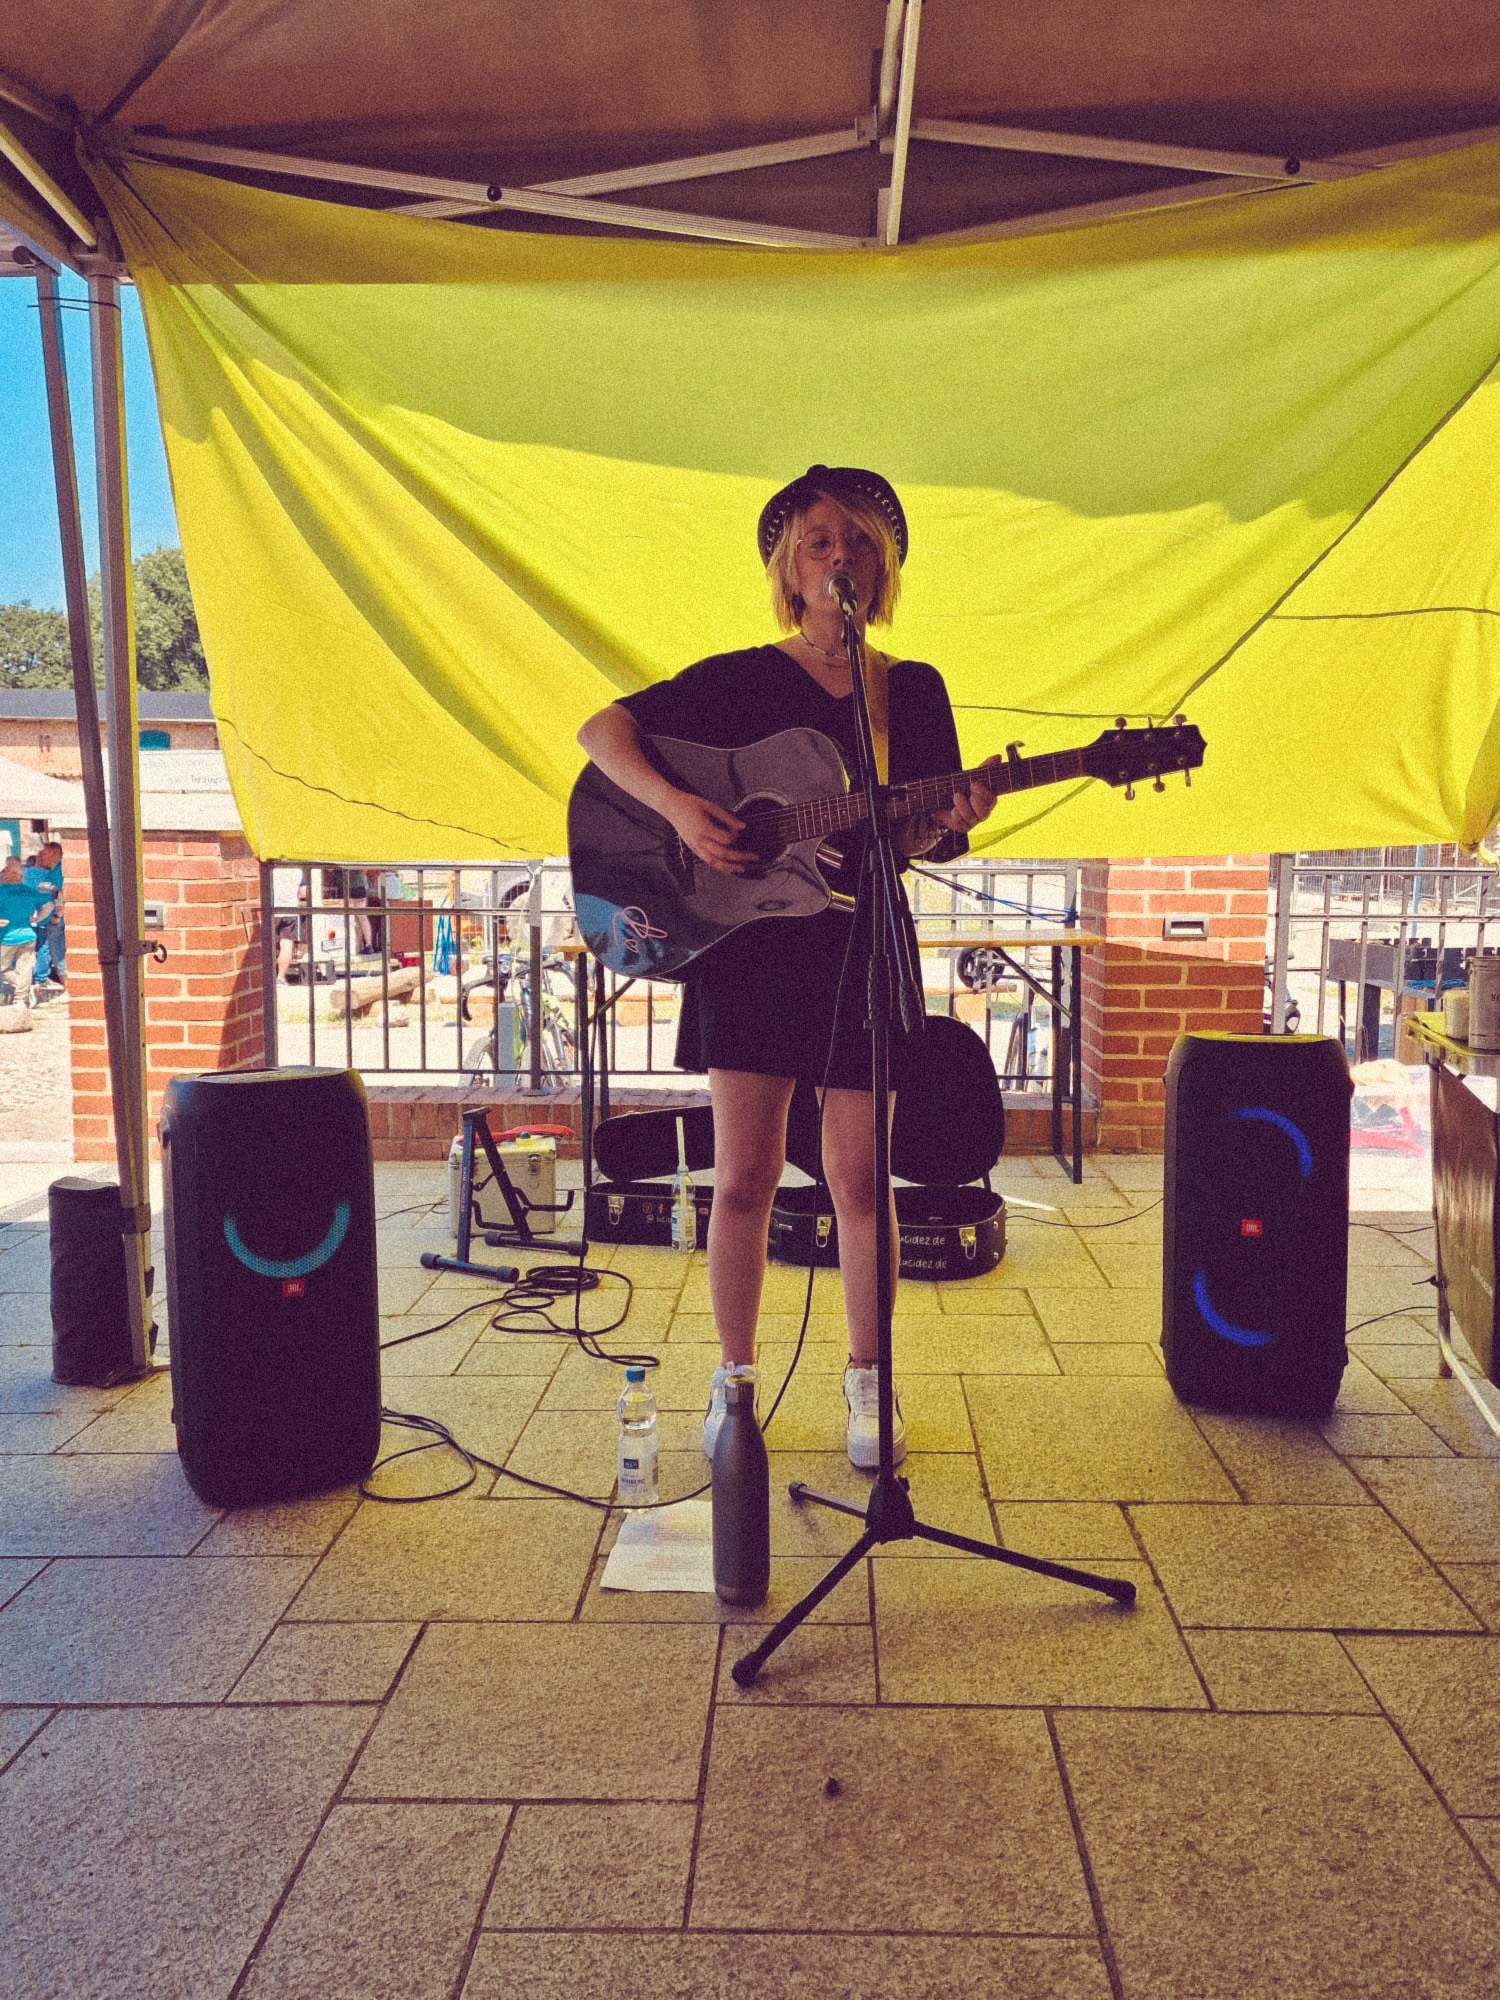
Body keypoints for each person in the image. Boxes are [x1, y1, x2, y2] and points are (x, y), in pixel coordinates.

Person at [576, 464, 995, 1468]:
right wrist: (682, 811)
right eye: (818, 541)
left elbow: (916, 841)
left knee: (861, 1179)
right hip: (752, 948)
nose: (839, 556)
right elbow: (601, 732)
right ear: (789, 568)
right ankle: (735, 1383)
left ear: (881, 567)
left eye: (858, 542)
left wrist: (950, 816)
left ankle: (869, 1385)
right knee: (746, 1177)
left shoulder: (912, 689)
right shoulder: (738, 679)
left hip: (862, 942)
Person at [0, 854, 56, 1011]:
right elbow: (49, 906)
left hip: (7, 937)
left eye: (5, 871)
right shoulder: (31, 891)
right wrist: (37, 919)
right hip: (28, 935)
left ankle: (22, 991)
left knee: (3, 968)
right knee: (24, 969)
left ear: (13, 873)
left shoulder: (2, 891)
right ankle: (21, 1000)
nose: (3, 873)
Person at [23, 841, 65, 988]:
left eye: (43, 853)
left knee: (58, 956)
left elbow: (61, 895)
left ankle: (68, 988)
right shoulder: (51, 872)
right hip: (49, 919)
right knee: (54, 953)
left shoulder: (58, 871)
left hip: (55, 920)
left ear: (53, 853)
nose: (40, 856)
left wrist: (56, 916)